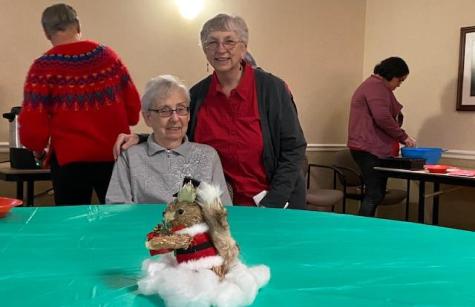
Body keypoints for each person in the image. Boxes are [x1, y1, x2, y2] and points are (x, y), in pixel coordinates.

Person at [114, 13, 307, 209]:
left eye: (229, 41)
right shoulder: (197, 96)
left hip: (276, 203)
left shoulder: (273, 90)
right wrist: (143, 138)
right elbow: (180, 132)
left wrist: (272, 204)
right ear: (205, 50)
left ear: (244, 47)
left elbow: (294, 149)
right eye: (212, 43)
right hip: (221, 207)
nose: (221, 49)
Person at [19, 3, 141, 205]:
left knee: (71, 227)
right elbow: (133, 110)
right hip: (114, 156)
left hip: (69, 163)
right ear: (77, 25)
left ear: (46, 32)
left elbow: (33, 127)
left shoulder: (42, 69)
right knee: (119, 222)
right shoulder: (108, 57)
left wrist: (37, 148)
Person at [106, 75, 231, 205]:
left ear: (188, 115)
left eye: (181, 109)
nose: (175, 118)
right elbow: (117, 208)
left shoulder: (208, 156)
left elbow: (224, 210)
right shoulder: (130, 157)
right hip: (146, 225)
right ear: (148, 117)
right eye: (164, 111)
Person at [347, 56, 416, 217]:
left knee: (376, 193)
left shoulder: (376, 86)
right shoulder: (376, 87)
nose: (399, 84)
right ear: (391, 75)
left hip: (368, 148)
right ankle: (361, 231)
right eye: (399, 80)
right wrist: (403, 137)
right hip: (368, 149)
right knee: (375, 193)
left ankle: (366, 230)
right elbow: (383, 117)